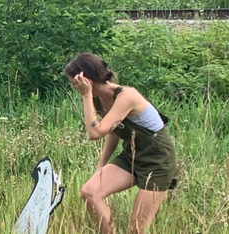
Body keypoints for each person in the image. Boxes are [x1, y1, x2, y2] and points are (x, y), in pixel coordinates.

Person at [67, 53, 179, 234]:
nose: (74, 86)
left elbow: (94, 133)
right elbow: (113, 130)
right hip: (132, 155)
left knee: (136, 229)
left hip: (158, 159)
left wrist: (86, 96)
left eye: (75, 81)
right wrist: (101, 166)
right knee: (90, 192)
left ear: (87, 79)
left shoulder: (127, 95)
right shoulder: (99, 98)